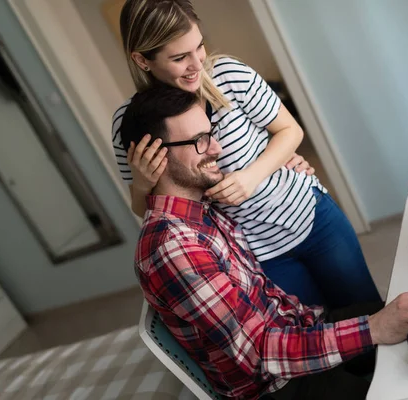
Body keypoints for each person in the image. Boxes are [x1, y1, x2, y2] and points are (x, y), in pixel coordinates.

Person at [119, 84, 408, 400]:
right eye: (201, 141)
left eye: (211, 133)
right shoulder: (173, 248)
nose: (217, 148)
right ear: (156, 156)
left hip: (298, 334)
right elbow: (261, 351)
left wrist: (291, 164)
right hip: (281, 384)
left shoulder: (202, 208)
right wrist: (374, 329)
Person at [111, 0, 381, 309]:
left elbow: (290, 131)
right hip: (256, 254)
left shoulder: (228, 75)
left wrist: (254, 175)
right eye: (179, 57)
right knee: (318, 338)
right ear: (143, 60)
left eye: (199, 47)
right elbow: (147, 209)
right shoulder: (130, 122)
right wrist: (144, 185)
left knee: (370, 313)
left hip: (312, 218)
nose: (197, 65)